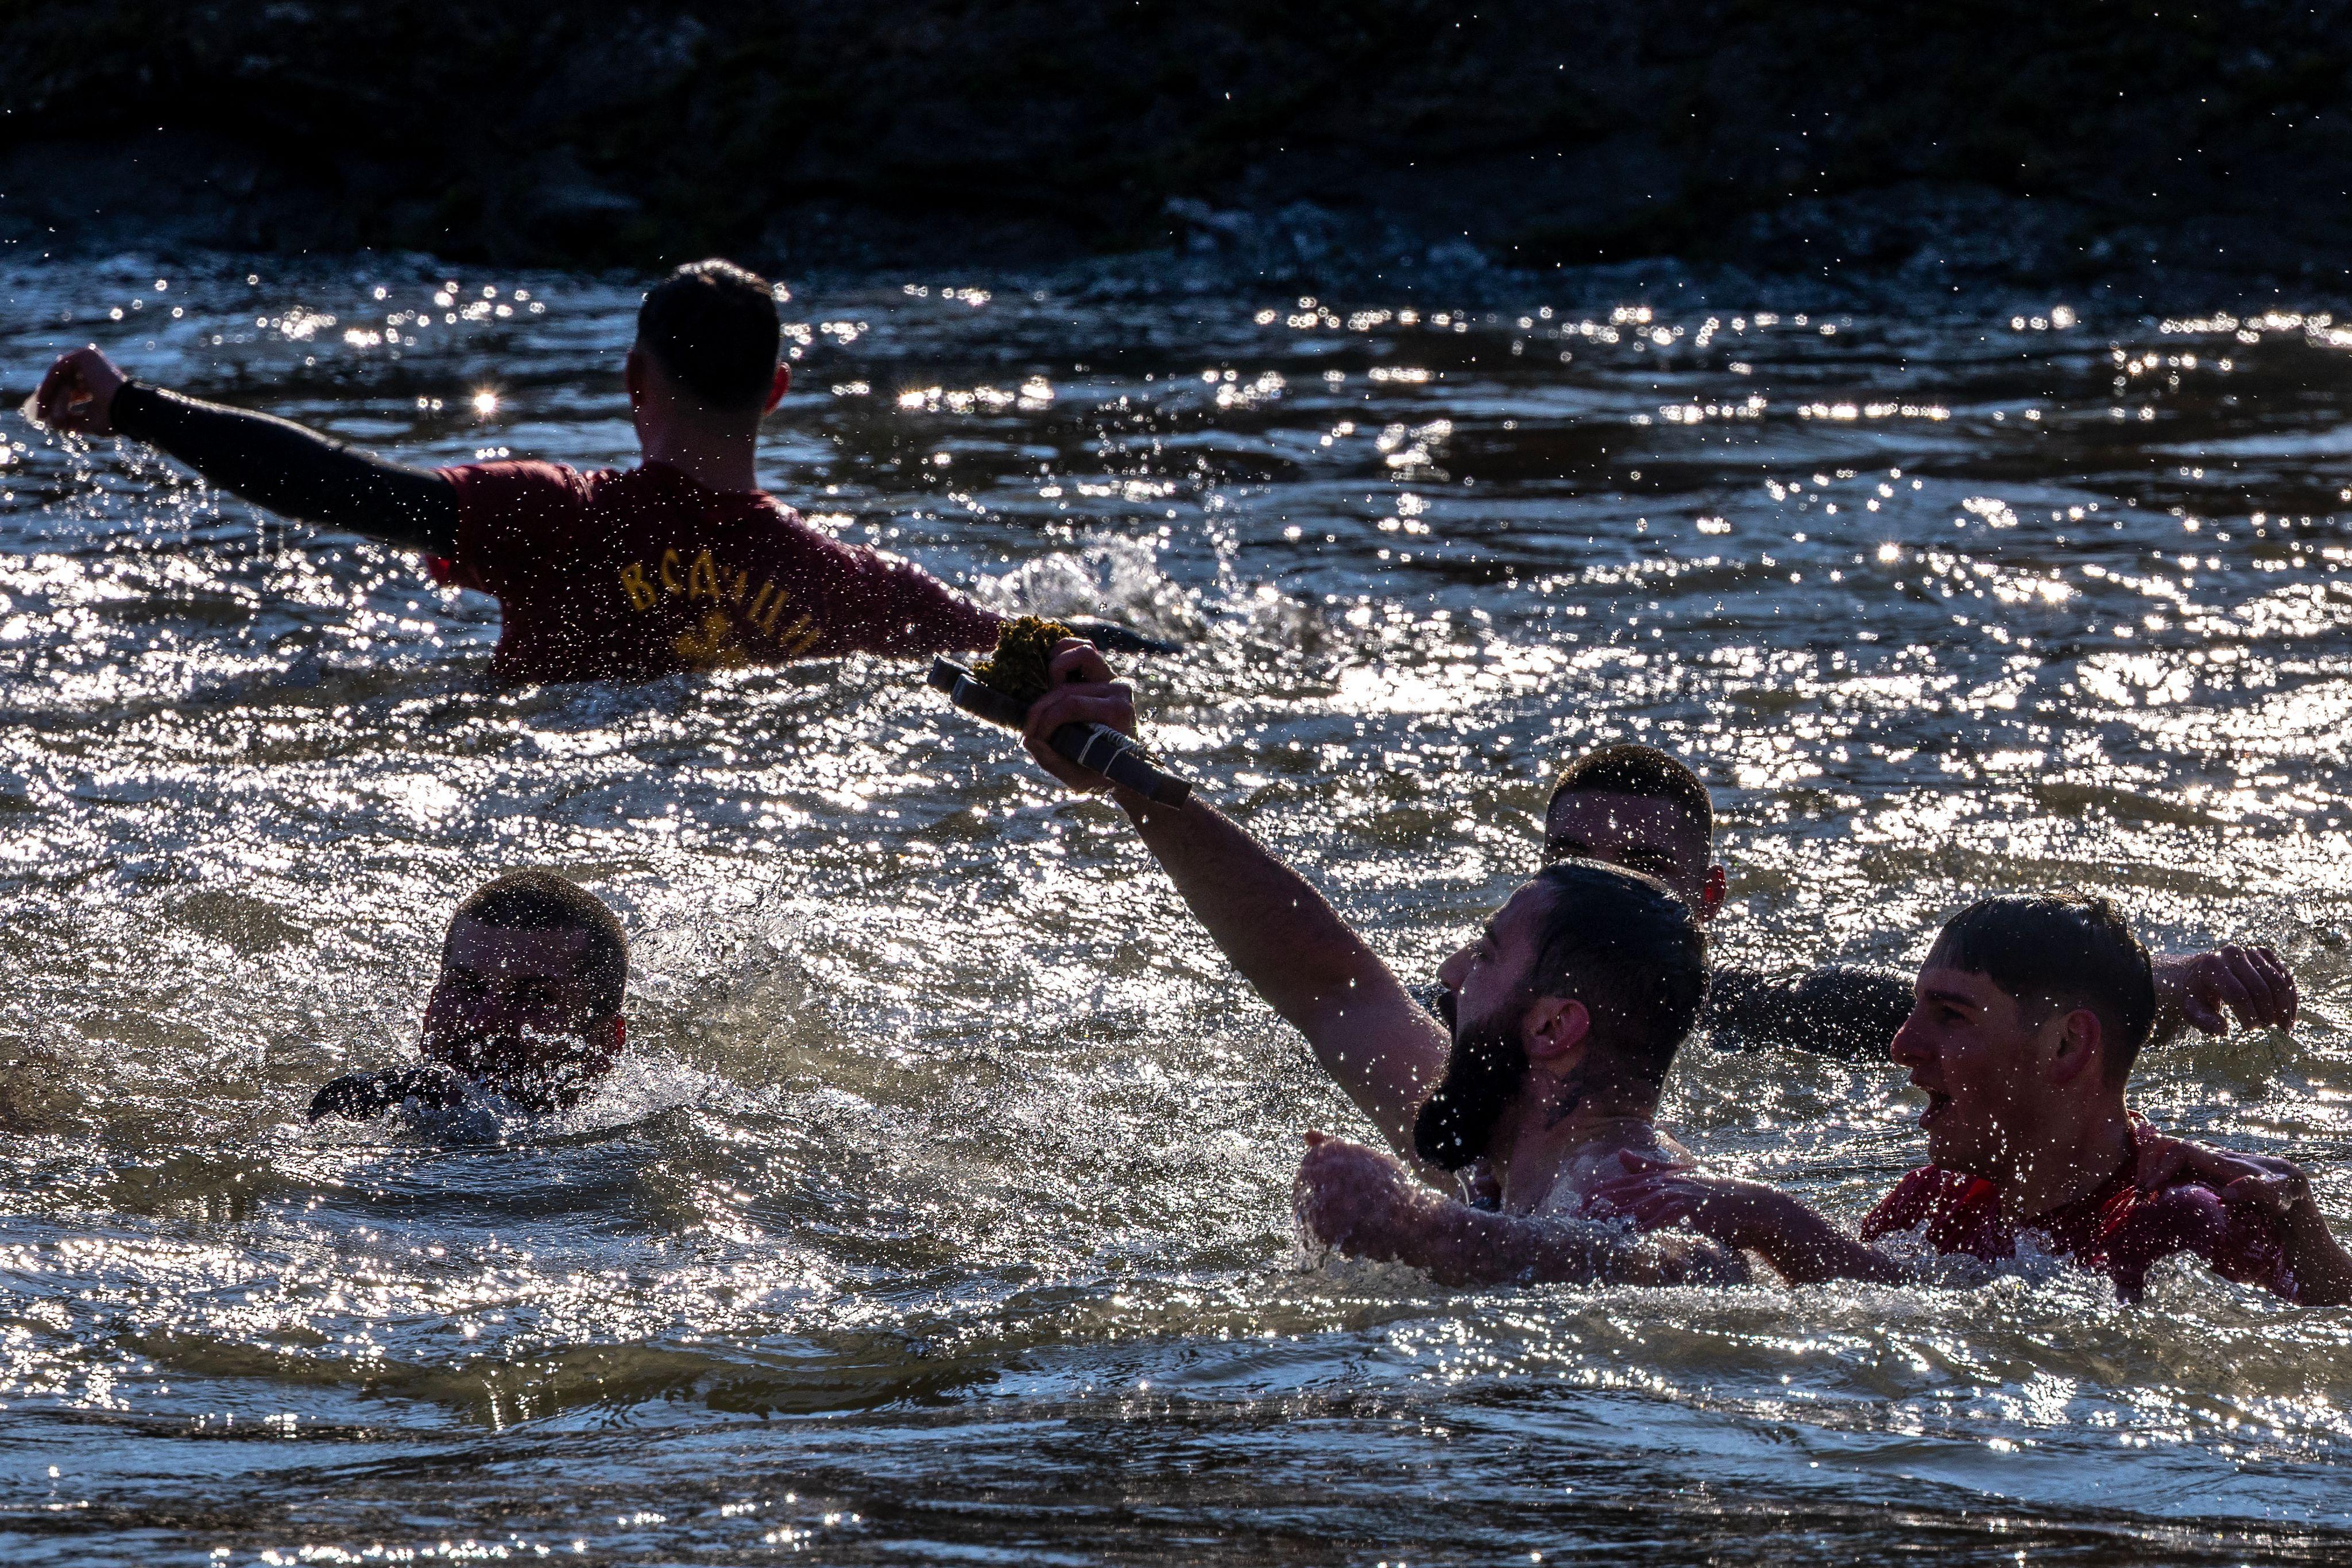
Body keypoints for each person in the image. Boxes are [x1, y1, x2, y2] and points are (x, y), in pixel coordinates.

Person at [32, 258, 1160, 685]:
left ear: (633, 381)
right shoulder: (858, 587)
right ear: (775, 392)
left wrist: (134, 405)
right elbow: (1041, 644)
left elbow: (335, 486)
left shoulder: (553, 518)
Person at [1015, 638, 1748, 1288]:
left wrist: (1416, 1226)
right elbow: (1331, 980)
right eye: (1572, 864)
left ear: (1554, 1025)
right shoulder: (1499, 1141)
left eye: (1487, 953)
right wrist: (1127, 775)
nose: (1453, 973)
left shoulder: (1657, 1194)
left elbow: (1699, 1268)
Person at [1597, 893, 2352, 1304]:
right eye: (1915, 1008)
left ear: (2067, 1046)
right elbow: (1888, 1324)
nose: (1901, 1045)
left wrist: (1772, 1214)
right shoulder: (1924, 1205)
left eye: (1950, 1015)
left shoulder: (2187, 1219)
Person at [1543, 744, 2299, 1059]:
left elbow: (1966, 1009)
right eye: (1575, 862)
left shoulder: (1755, 1013)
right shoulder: (1462, 1012)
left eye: (1642, 868)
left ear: (1706, 898)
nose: (1601, 891)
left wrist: (2147, 982)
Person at [308, 869, 629, 1119]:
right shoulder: (353, 1110)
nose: (483, 1021)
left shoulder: (623, 1162)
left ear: (605, 1043)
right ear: (432, 1006)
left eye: (534, 997)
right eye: (466, 987)